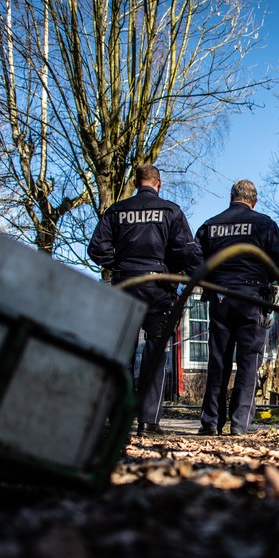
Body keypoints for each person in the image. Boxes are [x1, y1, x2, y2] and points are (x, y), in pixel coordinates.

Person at [88, 164, 202, 436]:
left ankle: (121, 417)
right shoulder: (171, 211)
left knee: (123, 354)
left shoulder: (116, 210)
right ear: (158, 183)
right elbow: (185, 251)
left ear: (135, 182)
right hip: (158, 288)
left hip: (125, 284)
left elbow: (96, 248)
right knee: (155, 353)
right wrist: (175, 271)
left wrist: (119, 264)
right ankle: (149, 421)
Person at [195, 180, 279, 436]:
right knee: (249, 361)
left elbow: (195, 261)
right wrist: (266, 276)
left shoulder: (210, 225)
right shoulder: (264, 224)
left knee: (219, 361)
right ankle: (240, 424)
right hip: (253, 297)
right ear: (254, 201)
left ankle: (211, 422)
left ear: (231, 198)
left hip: (220, 297)